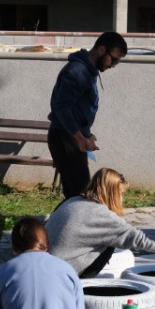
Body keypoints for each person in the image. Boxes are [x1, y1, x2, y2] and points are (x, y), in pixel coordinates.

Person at [45, 168, 155, 277]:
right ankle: (84, 284)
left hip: (42, 264)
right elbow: (139, 239)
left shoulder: (72, 200)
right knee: (110, 244)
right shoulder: (103, 216)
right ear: (112, 194)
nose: (122, 198)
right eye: (121, 193)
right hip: (60, 273)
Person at [47, 32, 128, 199]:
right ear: (101, 50)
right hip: (65, 138)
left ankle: (63, 217)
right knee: (81, 196)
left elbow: (78, 111)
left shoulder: (87, 71)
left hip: (70, 138)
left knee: (75, 196)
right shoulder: (77, 72)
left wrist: (86, 135)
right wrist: (79, 137)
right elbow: (61, 107)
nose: (113, 65)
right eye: (113, 60)